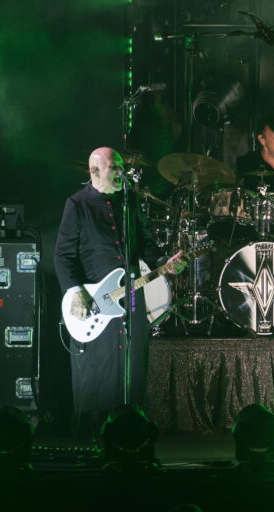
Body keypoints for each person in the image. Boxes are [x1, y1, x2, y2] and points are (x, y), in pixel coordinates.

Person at [54, 147, 185, 436]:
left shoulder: (130, 201)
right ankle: (93, 432)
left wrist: (166, 263)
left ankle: (130, 429)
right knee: (99, 366)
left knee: (134, 361)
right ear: (95, 171)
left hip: (132, 296)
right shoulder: (78, 204)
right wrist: (75, 292)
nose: (122, 172)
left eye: (122, 167)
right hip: (95, 300)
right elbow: (63, 255)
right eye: (115, 167)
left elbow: (147, 245)